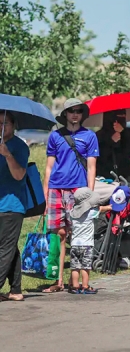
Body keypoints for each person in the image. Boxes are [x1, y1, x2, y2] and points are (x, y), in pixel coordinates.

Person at [43, 98, 99, 293]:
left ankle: (75, 279)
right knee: (59, 235)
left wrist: (89, 196)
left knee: (78, 235)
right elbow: (49, 167)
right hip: (56, 188)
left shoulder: (90, 136)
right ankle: (57, 280)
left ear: (82, 114)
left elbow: (92, 167)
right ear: (65, 114)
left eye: (79, 111)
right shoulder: (55, 136)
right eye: (71, 111)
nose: (75, 114)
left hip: (79, 191)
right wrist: (45, 195)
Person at [95, 109, 130, 260]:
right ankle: (106, 248)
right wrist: (111, 141)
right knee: (110, 215)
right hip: (106, 180)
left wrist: (122, 135)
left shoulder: (128, 133)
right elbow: (99, 155)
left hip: (126, 177)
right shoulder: (99, 135)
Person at [0, 111, 29, 302]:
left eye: (5, 123)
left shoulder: (19, 146)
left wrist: (7, 154)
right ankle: (16, 290)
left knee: (4, 249)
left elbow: (19, 175)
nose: (1, 127)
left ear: (13, 125)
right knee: (10, 248)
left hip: (12, 206)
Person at [68, 187, 111, 294]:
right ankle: (85, 286)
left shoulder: (72, 213)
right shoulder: (91, 212)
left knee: (75, 267)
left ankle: (75, 286)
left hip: (74, 245)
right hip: (86, 245)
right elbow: (101, 209)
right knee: (85, 267)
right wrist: (110, 207)